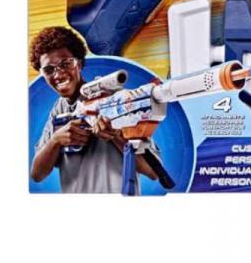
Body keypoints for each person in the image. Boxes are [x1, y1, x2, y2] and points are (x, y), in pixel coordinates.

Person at [29, 26, 160, 193]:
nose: (58, 74)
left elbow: (153, 171)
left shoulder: (114, 98)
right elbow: (37, 174)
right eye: (49, 70)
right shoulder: (59, 109)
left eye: (66, 64)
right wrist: (56, 141)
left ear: (79, 63)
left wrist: (116, 135)